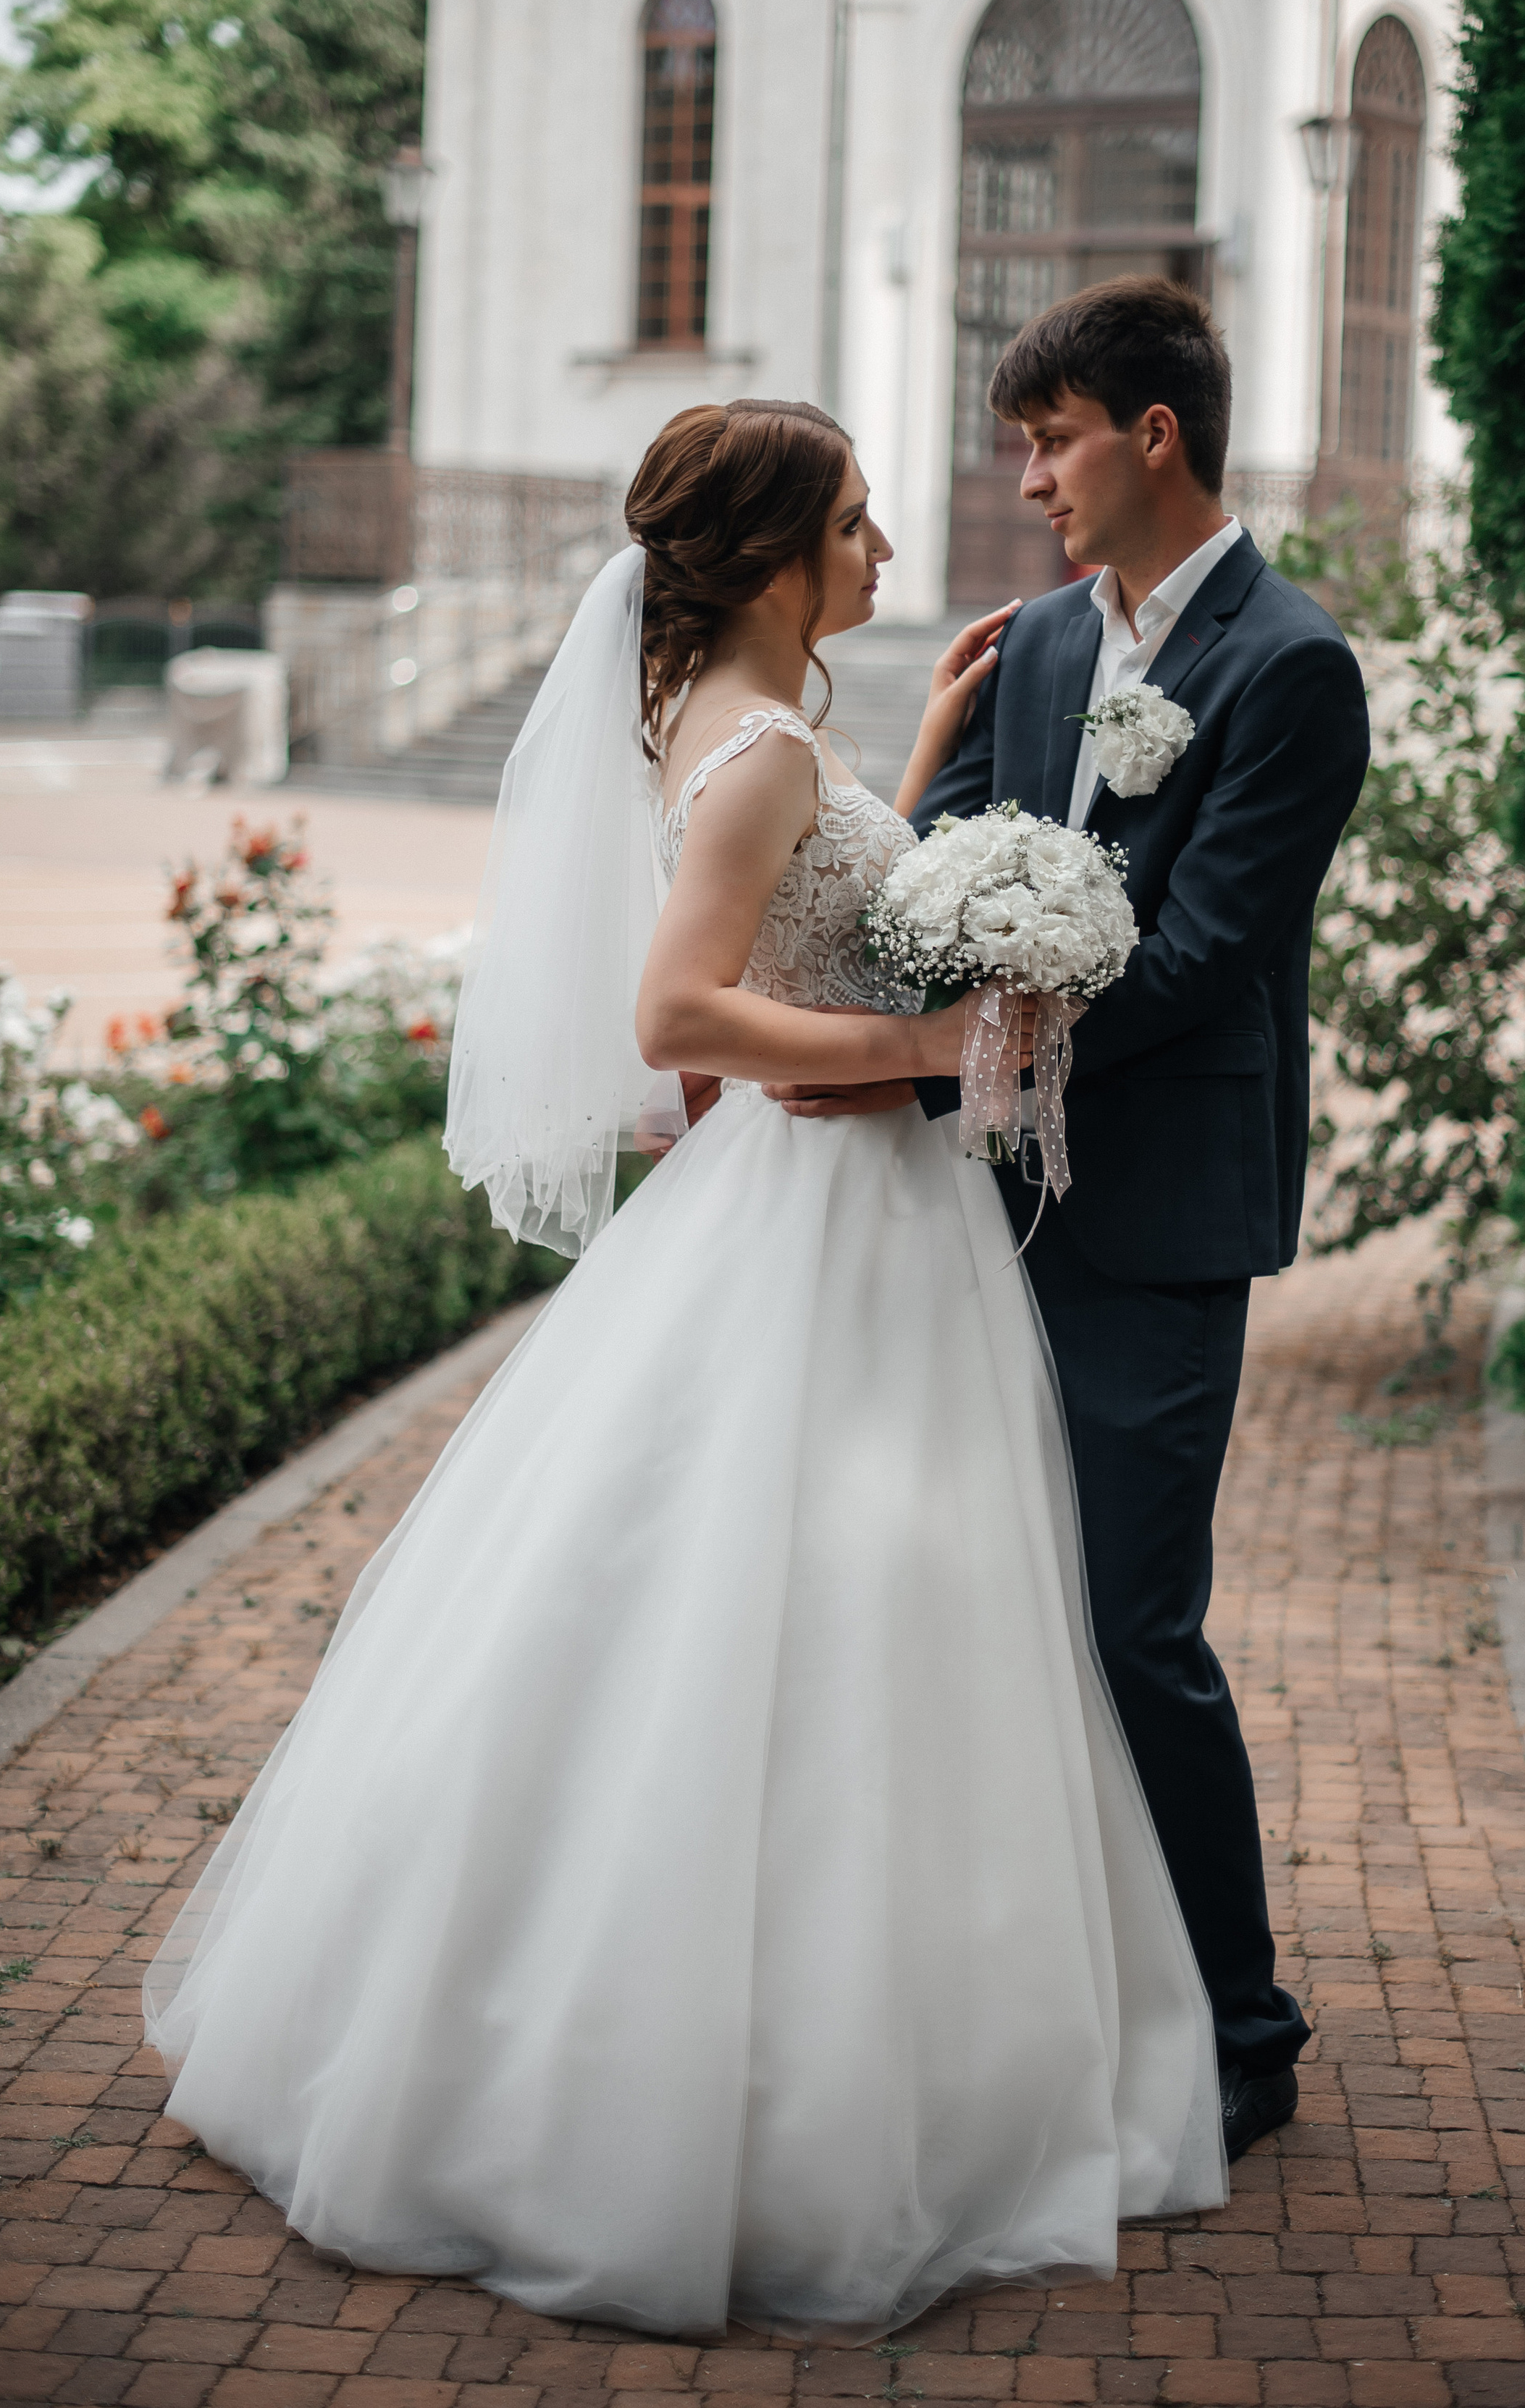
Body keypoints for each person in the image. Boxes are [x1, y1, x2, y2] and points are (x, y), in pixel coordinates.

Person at [143, 396, 1227, 2342]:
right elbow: (680, 1013)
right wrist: (935, 1047)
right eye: (860, 523)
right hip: (826, 1226)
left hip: (846, 1221)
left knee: (842, 1623)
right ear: (780, 557)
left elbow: (797, 905)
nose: (888, 551)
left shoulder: (743, 737)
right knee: (794, 1624)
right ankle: (719, 2093)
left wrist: (906, 792)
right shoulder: (756, 752)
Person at [767, 281, 1371, 2163]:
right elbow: (950, 873)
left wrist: (928, 1052)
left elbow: (1197, 962)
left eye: (1052, 439)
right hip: (977, 1210)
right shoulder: (1034, 643)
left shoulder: (1292, 666)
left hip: (1162, 1218)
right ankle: (1054, 1986)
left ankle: (1243, 2028)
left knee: (1130, 1620)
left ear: (1155, 434)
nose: (1026, 476)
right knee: (981, 1611)